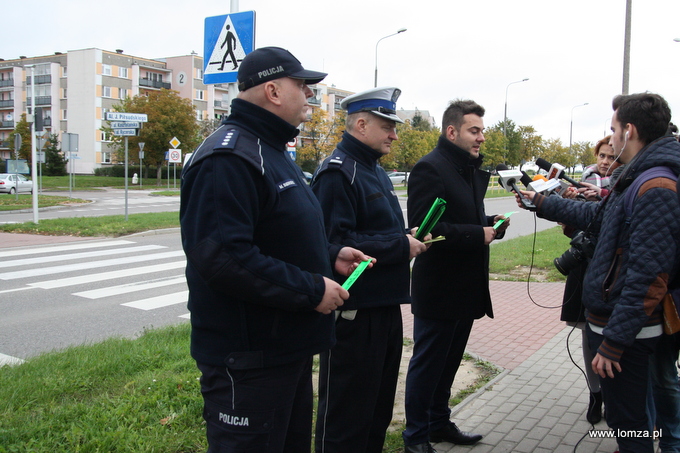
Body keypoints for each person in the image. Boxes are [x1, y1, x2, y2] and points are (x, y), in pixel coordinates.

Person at [180, 46, 373, 453]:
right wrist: (310, 289)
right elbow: (223, 257)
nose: (310, 96)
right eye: (302, 87)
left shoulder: (271, 151)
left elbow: (280, 232)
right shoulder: (227, 158)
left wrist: (329, 254)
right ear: (272, 91)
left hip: (286, 350)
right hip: (249, 362)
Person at [515, 92, 680, 453]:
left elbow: (647, 277)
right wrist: (542, 202)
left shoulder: (656, 185)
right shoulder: (636, 176)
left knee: (630, 425)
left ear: (629, 130)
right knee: (626, 423)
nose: (612, 137)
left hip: (629, 334)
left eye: (614, 129)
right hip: (618, 325)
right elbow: (597, 217)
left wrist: (615, 343)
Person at [311, 87, 429, 453]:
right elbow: (332, 244)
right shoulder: (338, 173)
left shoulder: (371, 170)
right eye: (387, 126)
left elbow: (375, 231)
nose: (395, 134)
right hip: (354, 314)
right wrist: (399, 246)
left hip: (384, 308)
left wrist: (404, 237)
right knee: (345, 418)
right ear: (361, 124)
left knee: (376, 411)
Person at [403, 99, 510, 453]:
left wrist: (491, 226)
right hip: (439, 289)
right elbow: (423, 230)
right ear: (452, 132)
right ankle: (415, 438)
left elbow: (468, 217)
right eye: (474, 131)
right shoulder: (429, 168)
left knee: (448, 364)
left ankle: (438, 423)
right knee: (428, 366)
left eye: (482, 130)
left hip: (466, 289)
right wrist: (476, 234)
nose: (481, 138)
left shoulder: (466, 168)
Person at [559, 135, 621, 425]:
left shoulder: (624, 187)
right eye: (602, 156)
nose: (605, 162)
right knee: (586, 333)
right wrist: (567, 208)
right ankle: (595, 394)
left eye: (612, 157)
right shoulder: (581, 182)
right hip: (584, 264)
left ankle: (614, 395)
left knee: (613, 337)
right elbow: (570, 230)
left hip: (613, 270)